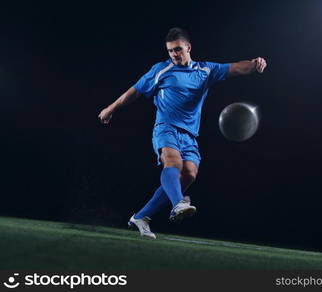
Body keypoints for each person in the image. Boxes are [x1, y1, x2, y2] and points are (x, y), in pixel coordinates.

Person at [98, 27, 267, 239]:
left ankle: (141, 217)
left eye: (178, 49)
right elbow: (134, 91)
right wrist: (111, 108)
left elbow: (235, 68)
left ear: (188, 47)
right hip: (165, 127)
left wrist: (254, 64)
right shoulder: (161, 70)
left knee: (189, 174)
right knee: (173, 163)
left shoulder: (206, 70)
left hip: (189, 135)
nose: (174, 54)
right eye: (170, 51)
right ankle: (178, 203)